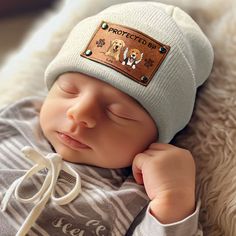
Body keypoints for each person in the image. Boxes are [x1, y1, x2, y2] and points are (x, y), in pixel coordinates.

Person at [0, 1, 213, 236]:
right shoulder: (16, 121)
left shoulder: (134, 198)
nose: (80, 113)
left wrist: (173, 200)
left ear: (157, 137)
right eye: (69, 89)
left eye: (118, 113)